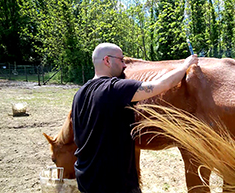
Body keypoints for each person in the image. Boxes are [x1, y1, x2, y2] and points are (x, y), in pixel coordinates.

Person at [71, 42, 198, 193]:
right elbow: (162, 84)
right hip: (114, 184)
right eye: (121, 60)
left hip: (86, 181)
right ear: (107, 60)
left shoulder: (79, 94)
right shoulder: (116, 88)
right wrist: (185, 65)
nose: (125, 66)